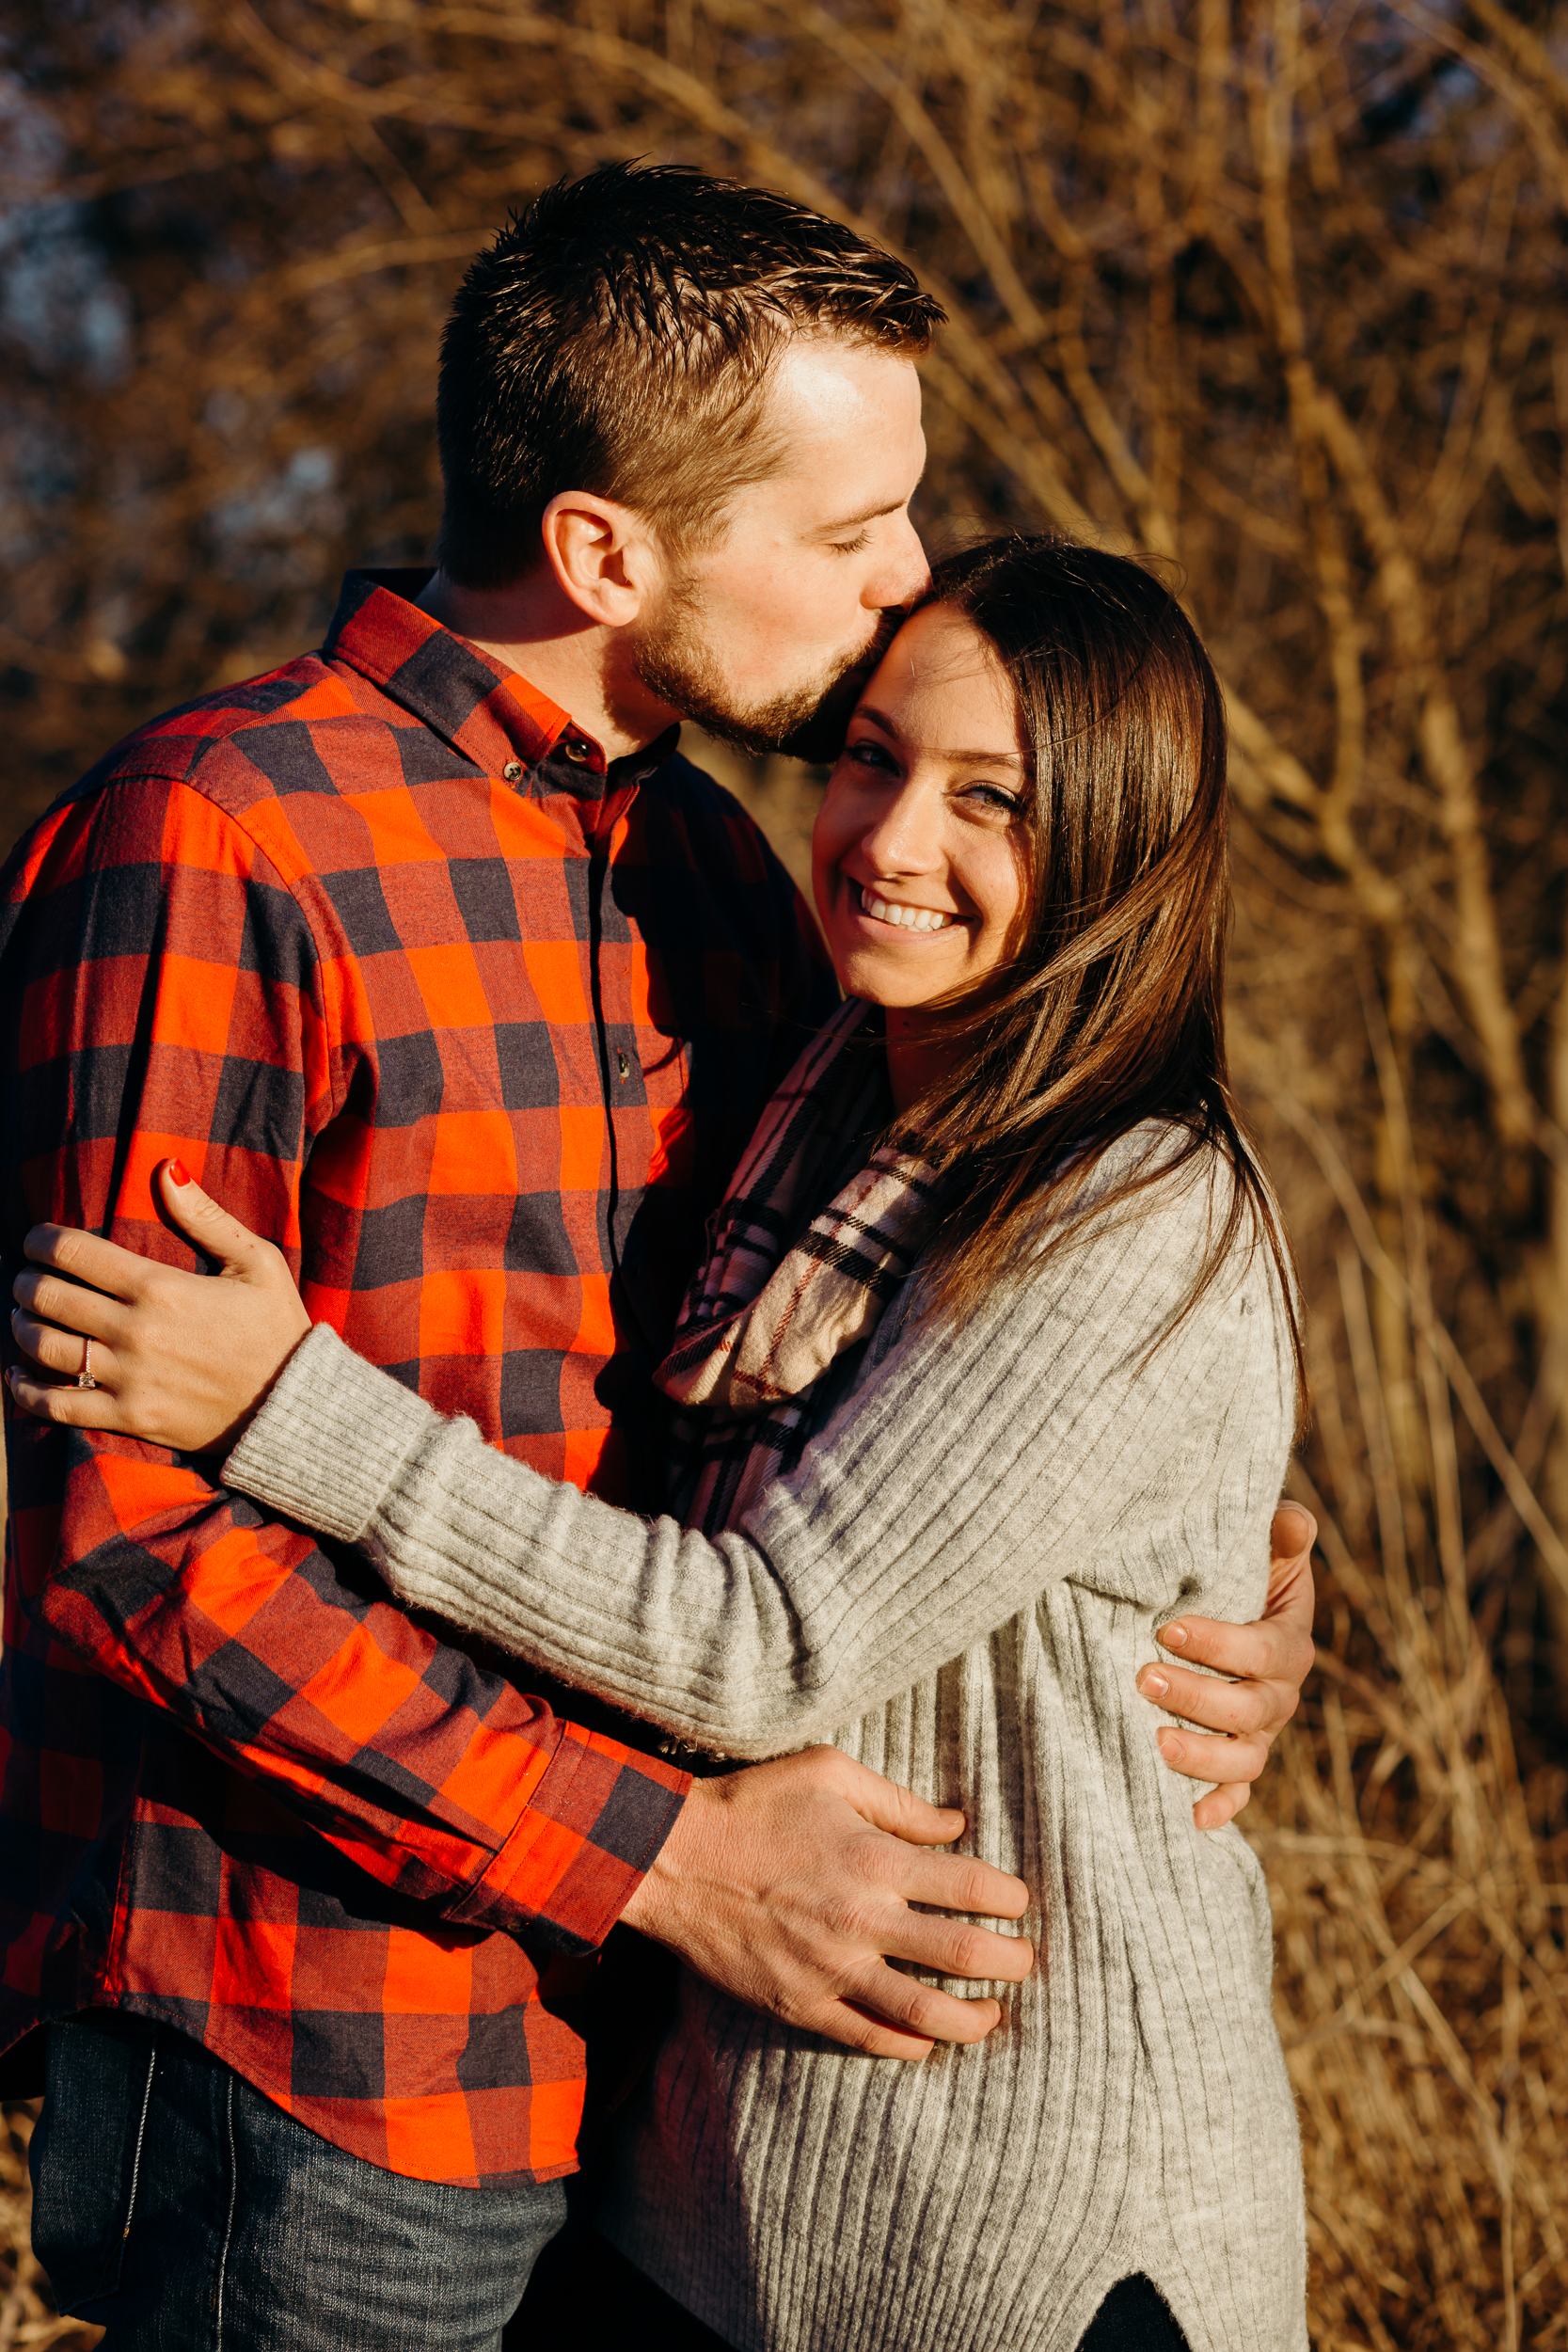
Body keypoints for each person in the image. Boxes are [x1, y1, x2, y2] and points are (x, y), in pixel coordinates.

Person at [14, 535, 1312, 2352]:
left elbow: (764, 1644)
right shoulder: (833, 1088)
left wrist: (284, 1403)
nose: (892, 836)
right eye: (873, 758)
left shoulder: (1122, 1207)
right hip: (694, 2181)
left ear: (1116, 847)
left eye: (992, 801)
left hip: (1015, 2229)